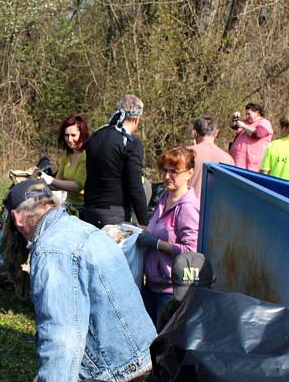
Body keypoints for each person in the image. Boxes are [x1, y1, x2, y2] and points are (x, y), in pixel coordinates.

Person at [5, 179, 156, 382]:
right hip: (141, 358)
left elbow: (62, 342)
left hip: (117, 379)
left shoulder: (51, 251)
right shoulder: (82, 229)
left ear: (16, 218)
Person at [137, 146, 200, 327]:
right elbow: (156, 228)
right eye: (164, 170)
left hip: (171, 290)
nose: (166, 176)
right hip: (152, 284)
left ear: (189, 173)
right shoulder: (164, 197)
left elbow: (191, 252)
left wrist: (157, 244)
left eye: (174, 172)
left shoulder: (187, 208)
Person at [82, 94, 149, 227]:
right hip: (114, 214)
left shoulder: (95, 136)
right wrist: (145, 223)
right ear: (137, 119)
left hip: (88, 211)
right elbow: (135, 186)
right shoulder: (131, 144)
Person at [39, 114, 89, 210]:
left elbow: (78, 186)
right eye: (67, 135)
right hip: (70, 205)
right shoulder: (66, 156)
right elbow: (58, 183)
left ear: (82, 134)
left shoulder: (86, 156)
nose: (69, 140)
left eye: (73, 135)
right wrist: (40, 180)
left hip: (85, 207)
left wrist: (51, 180)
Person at [188, 115, 234, 199]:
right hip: (215, 209)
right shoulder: (228, 159)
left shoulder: (186, 153)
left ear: (194, 133)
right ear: (216, 133)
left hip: (189, 207)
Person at [228, 102, 273, 171]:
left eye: (249, 114)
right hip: (237, 163)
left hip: (252, 165)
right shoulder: (246, 121)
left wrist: (243, 126)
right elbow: (233, 126)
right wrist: (234, 118)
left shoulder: (264, 122)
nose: (247, 116)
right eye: (246, 114)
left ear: (257, 113)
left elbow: (258, 134)